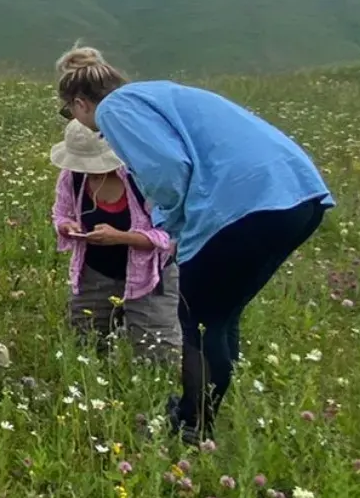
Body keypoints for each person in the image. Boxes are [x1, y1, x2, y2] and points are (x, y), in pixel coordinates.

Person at [55, 46, 334, 444]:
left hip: (244, 204)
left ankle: (191, 425)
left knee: (199, 322)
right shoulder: (157, 93)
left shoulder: (115, 109)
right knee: (221, 316)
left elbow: (169, 171)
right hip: (295, 195)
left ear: (80, 104)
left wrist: (172, 225)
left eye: (70, 113)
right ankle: (199, 412)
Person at [49, 118, 179, 361]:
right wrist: (66, 226)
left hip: (151, 276)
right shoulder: (73, 177)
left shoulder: (145, 179)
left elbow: (169, 235)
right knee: (85, 341)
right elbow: (61, 212)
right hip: (95, 271)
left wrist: (121, 237)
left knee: (156, 349)